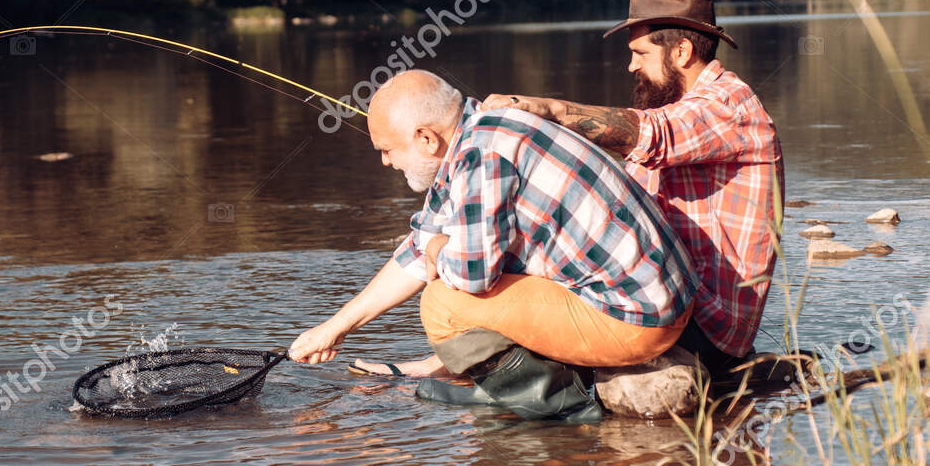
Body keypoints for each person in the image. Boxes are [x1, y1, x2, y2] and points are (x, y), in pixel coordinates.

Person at [350, 0, 783, 383]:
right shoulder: (694, 103)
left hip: (703, 323)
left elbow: (653, 134)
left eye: (640, 53)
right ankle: (451, 364)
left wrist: (548, 109)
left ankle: (525, 385)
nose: (630, 65)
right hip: (668, 298)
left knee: (457, 287)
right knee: (515, 233)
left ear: (682, 51)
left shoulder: (728, 106)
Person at [288, 69, 698, 421]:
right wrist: (335, 328)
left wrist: (436, 251)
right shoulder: (477, 134)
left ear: (426, 138)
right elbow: (417, 247)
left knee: (443, 303)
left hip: (637, 318)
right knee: (469, 271)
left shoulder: (483, 154)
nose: (385, 162)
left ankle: (553, 404)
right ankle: (454, 370)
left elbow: (470, 275)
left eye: (387, 150)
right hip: (654, 300)